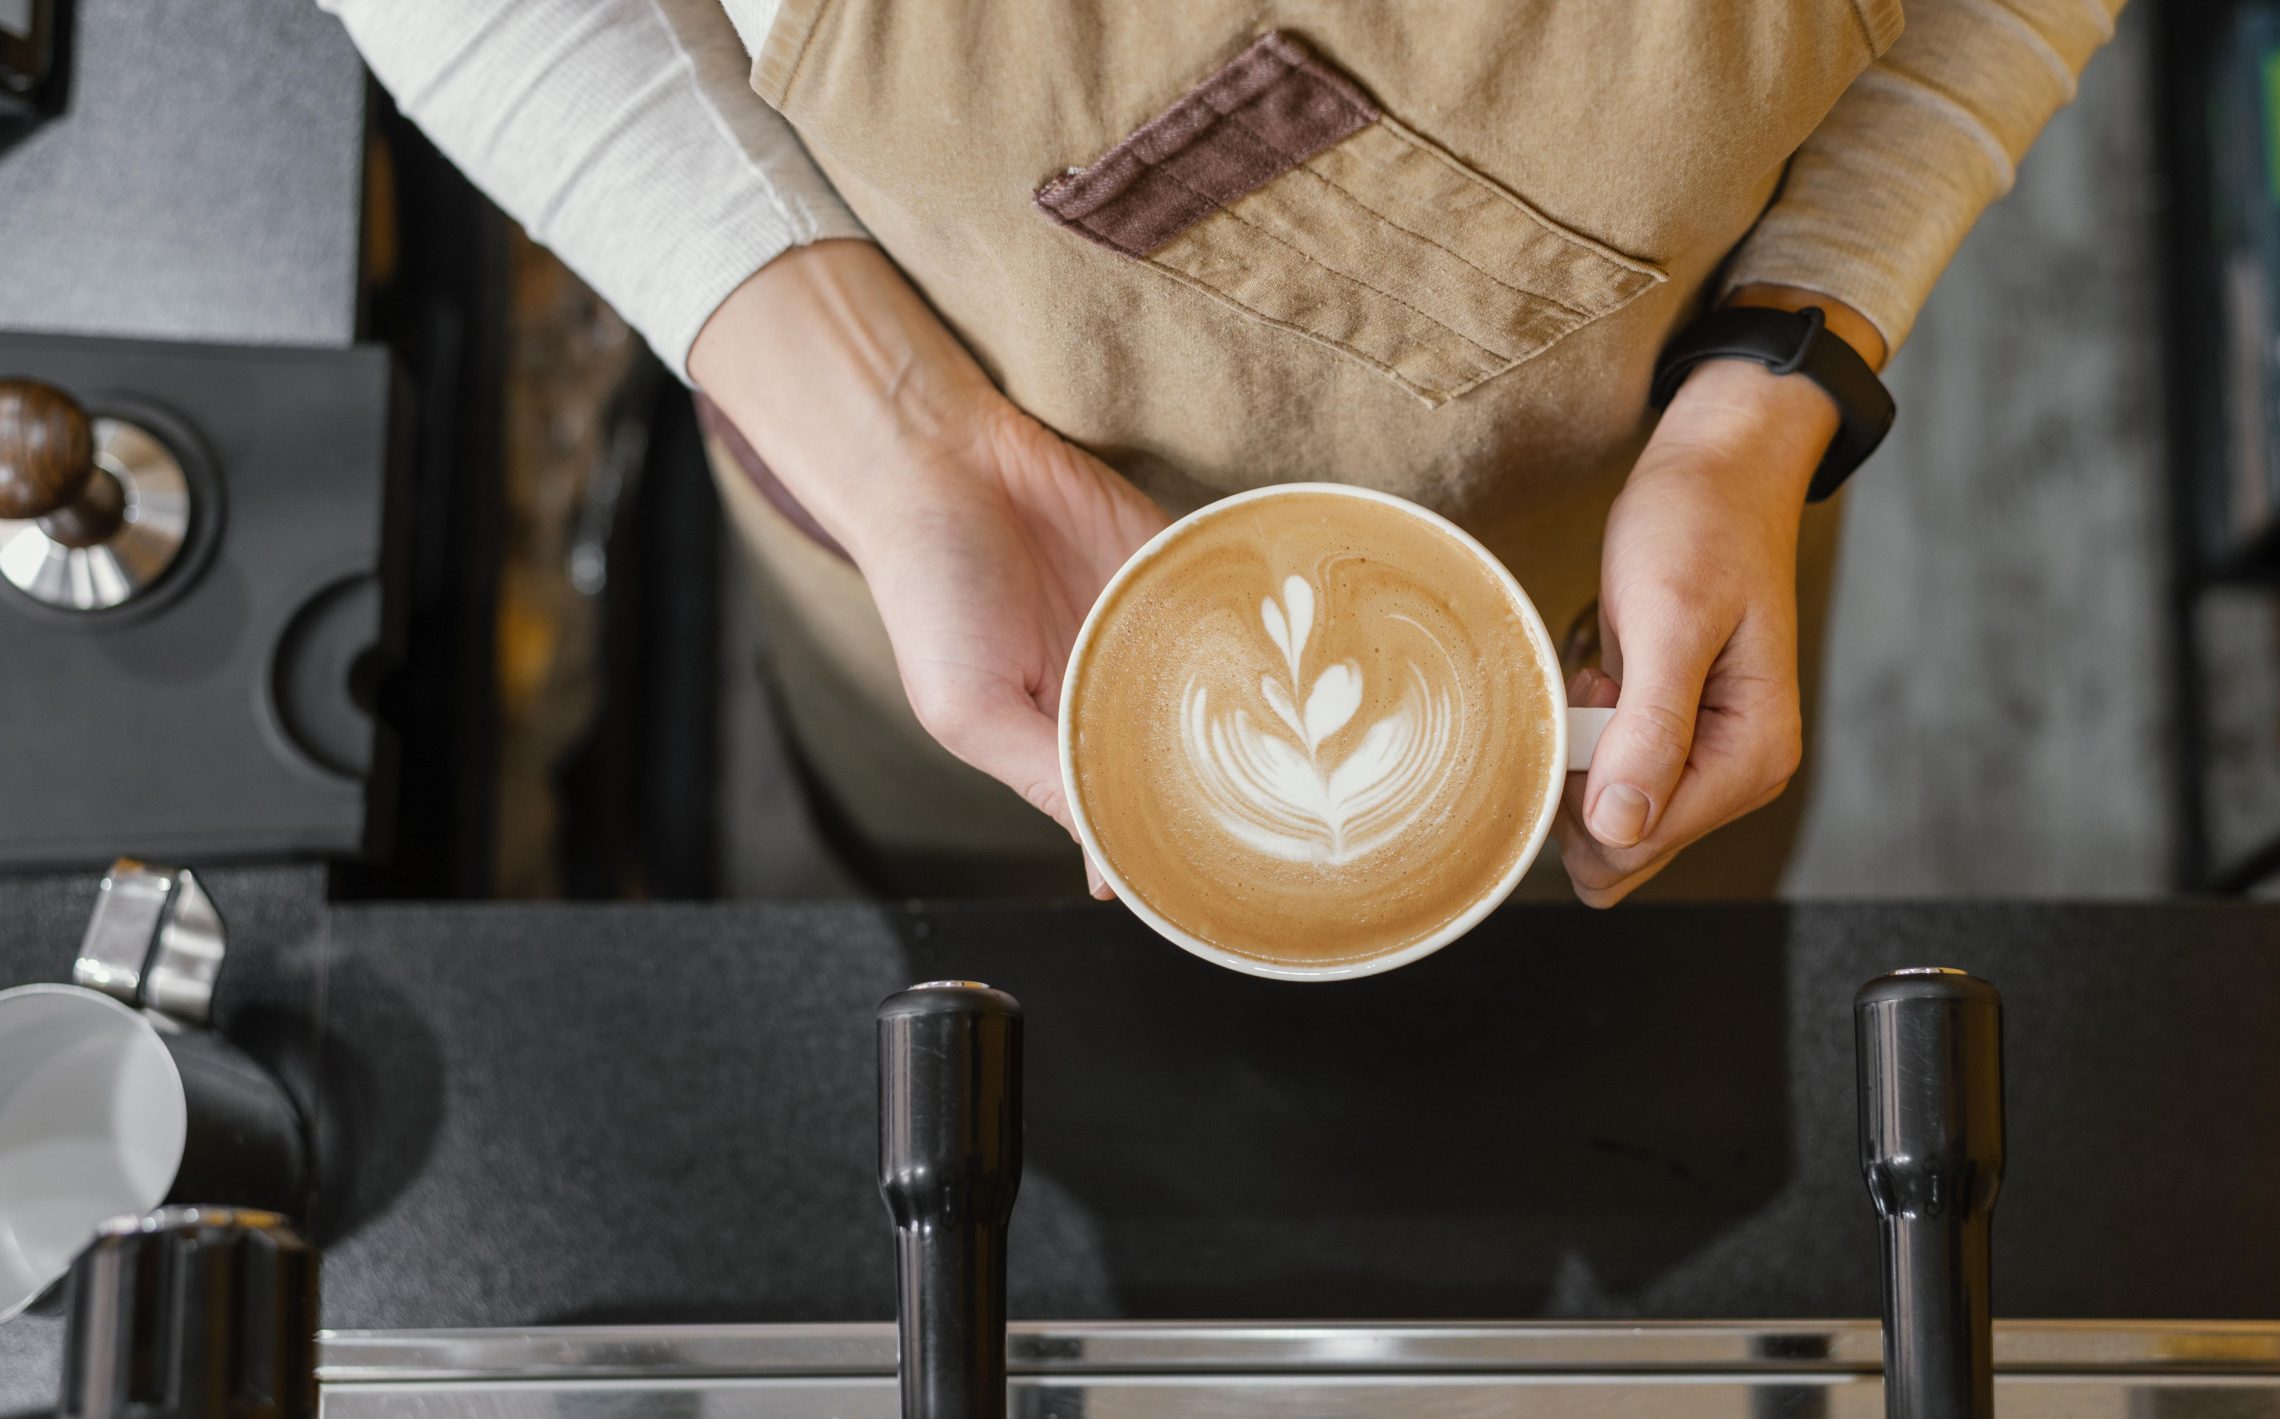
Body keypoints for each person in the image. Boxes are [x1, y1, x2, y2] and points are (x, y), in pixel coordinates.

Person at [320, 0, 2123, 903]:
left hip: (1643, 553)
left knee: (1624, 973)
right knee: (1003, 929)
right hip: (942, 562)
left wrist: (1780, 365)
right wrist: (888, 430)